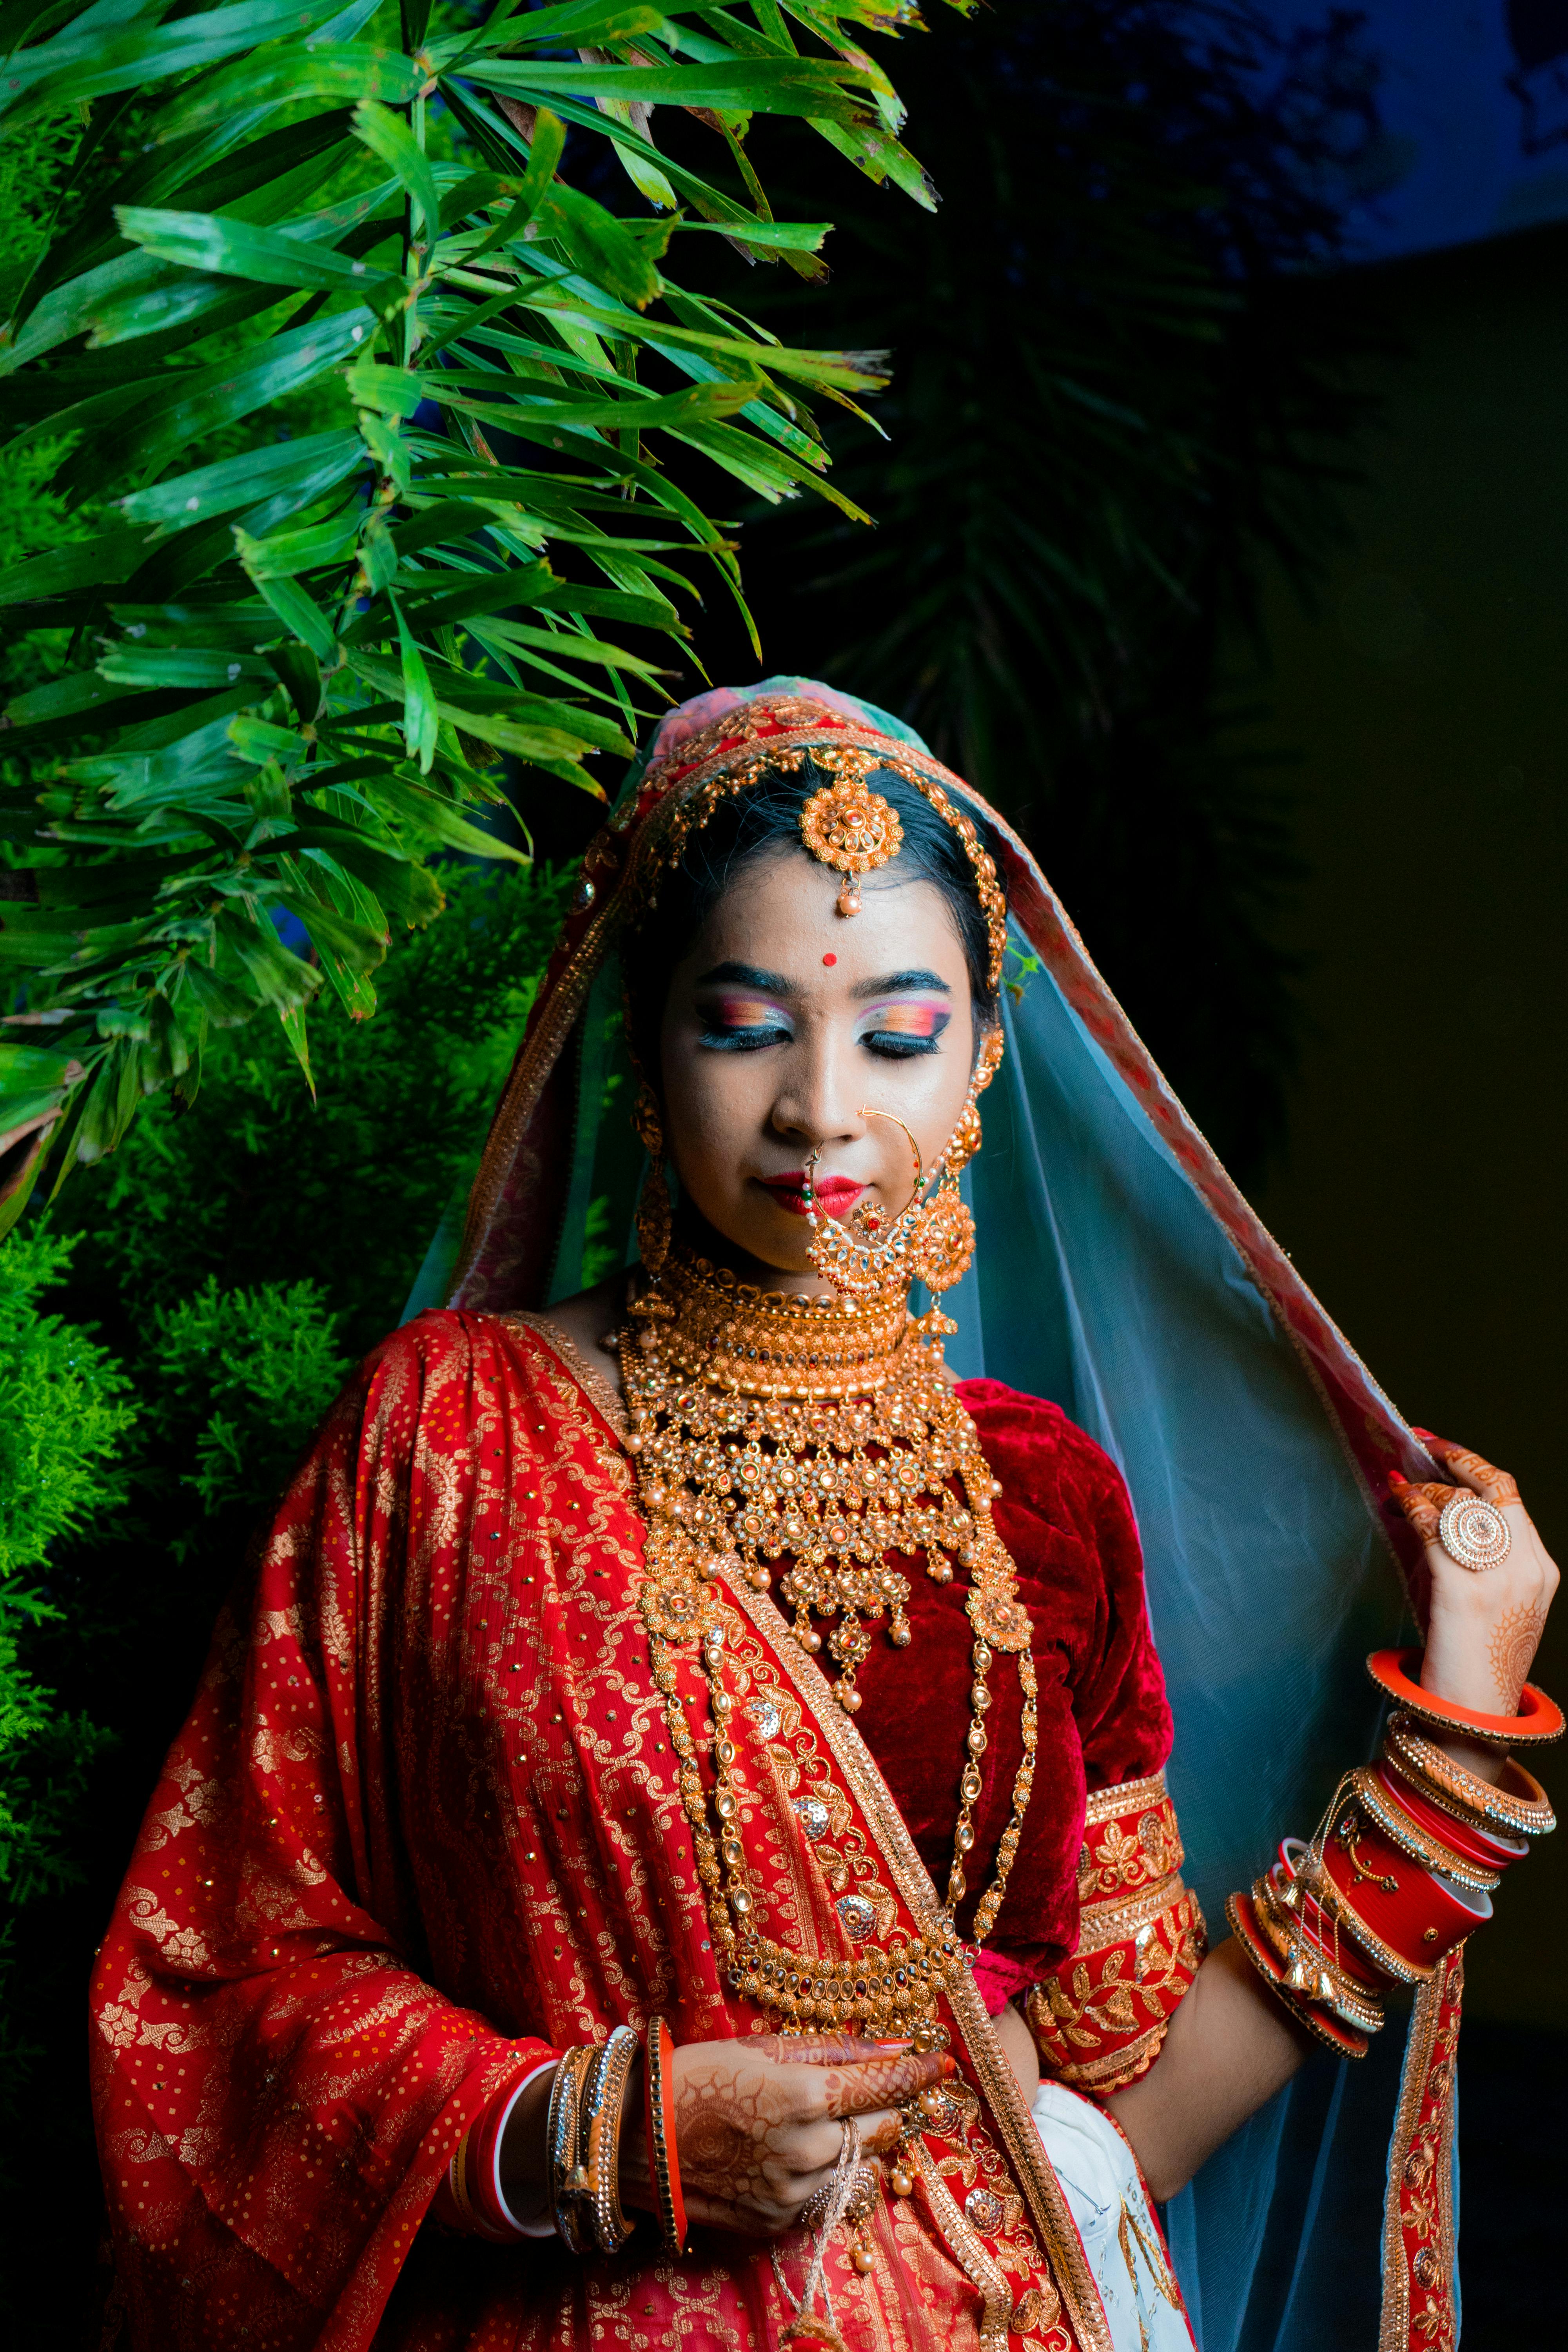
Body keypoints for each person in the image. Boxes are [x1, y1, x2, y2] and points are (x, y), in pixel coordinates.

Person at [89, 684, 1559, 2352]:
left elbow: (1118, 2116)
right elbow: (213, 1985)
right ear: (646, 1045)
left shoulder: (1044, 1500)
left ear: (985, 1056)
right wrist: (588, 2135)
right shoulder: (446, 1434)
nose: (821, 1109)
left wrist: (1453, 1745)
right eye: (745, 1023)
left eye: (898, 1030)